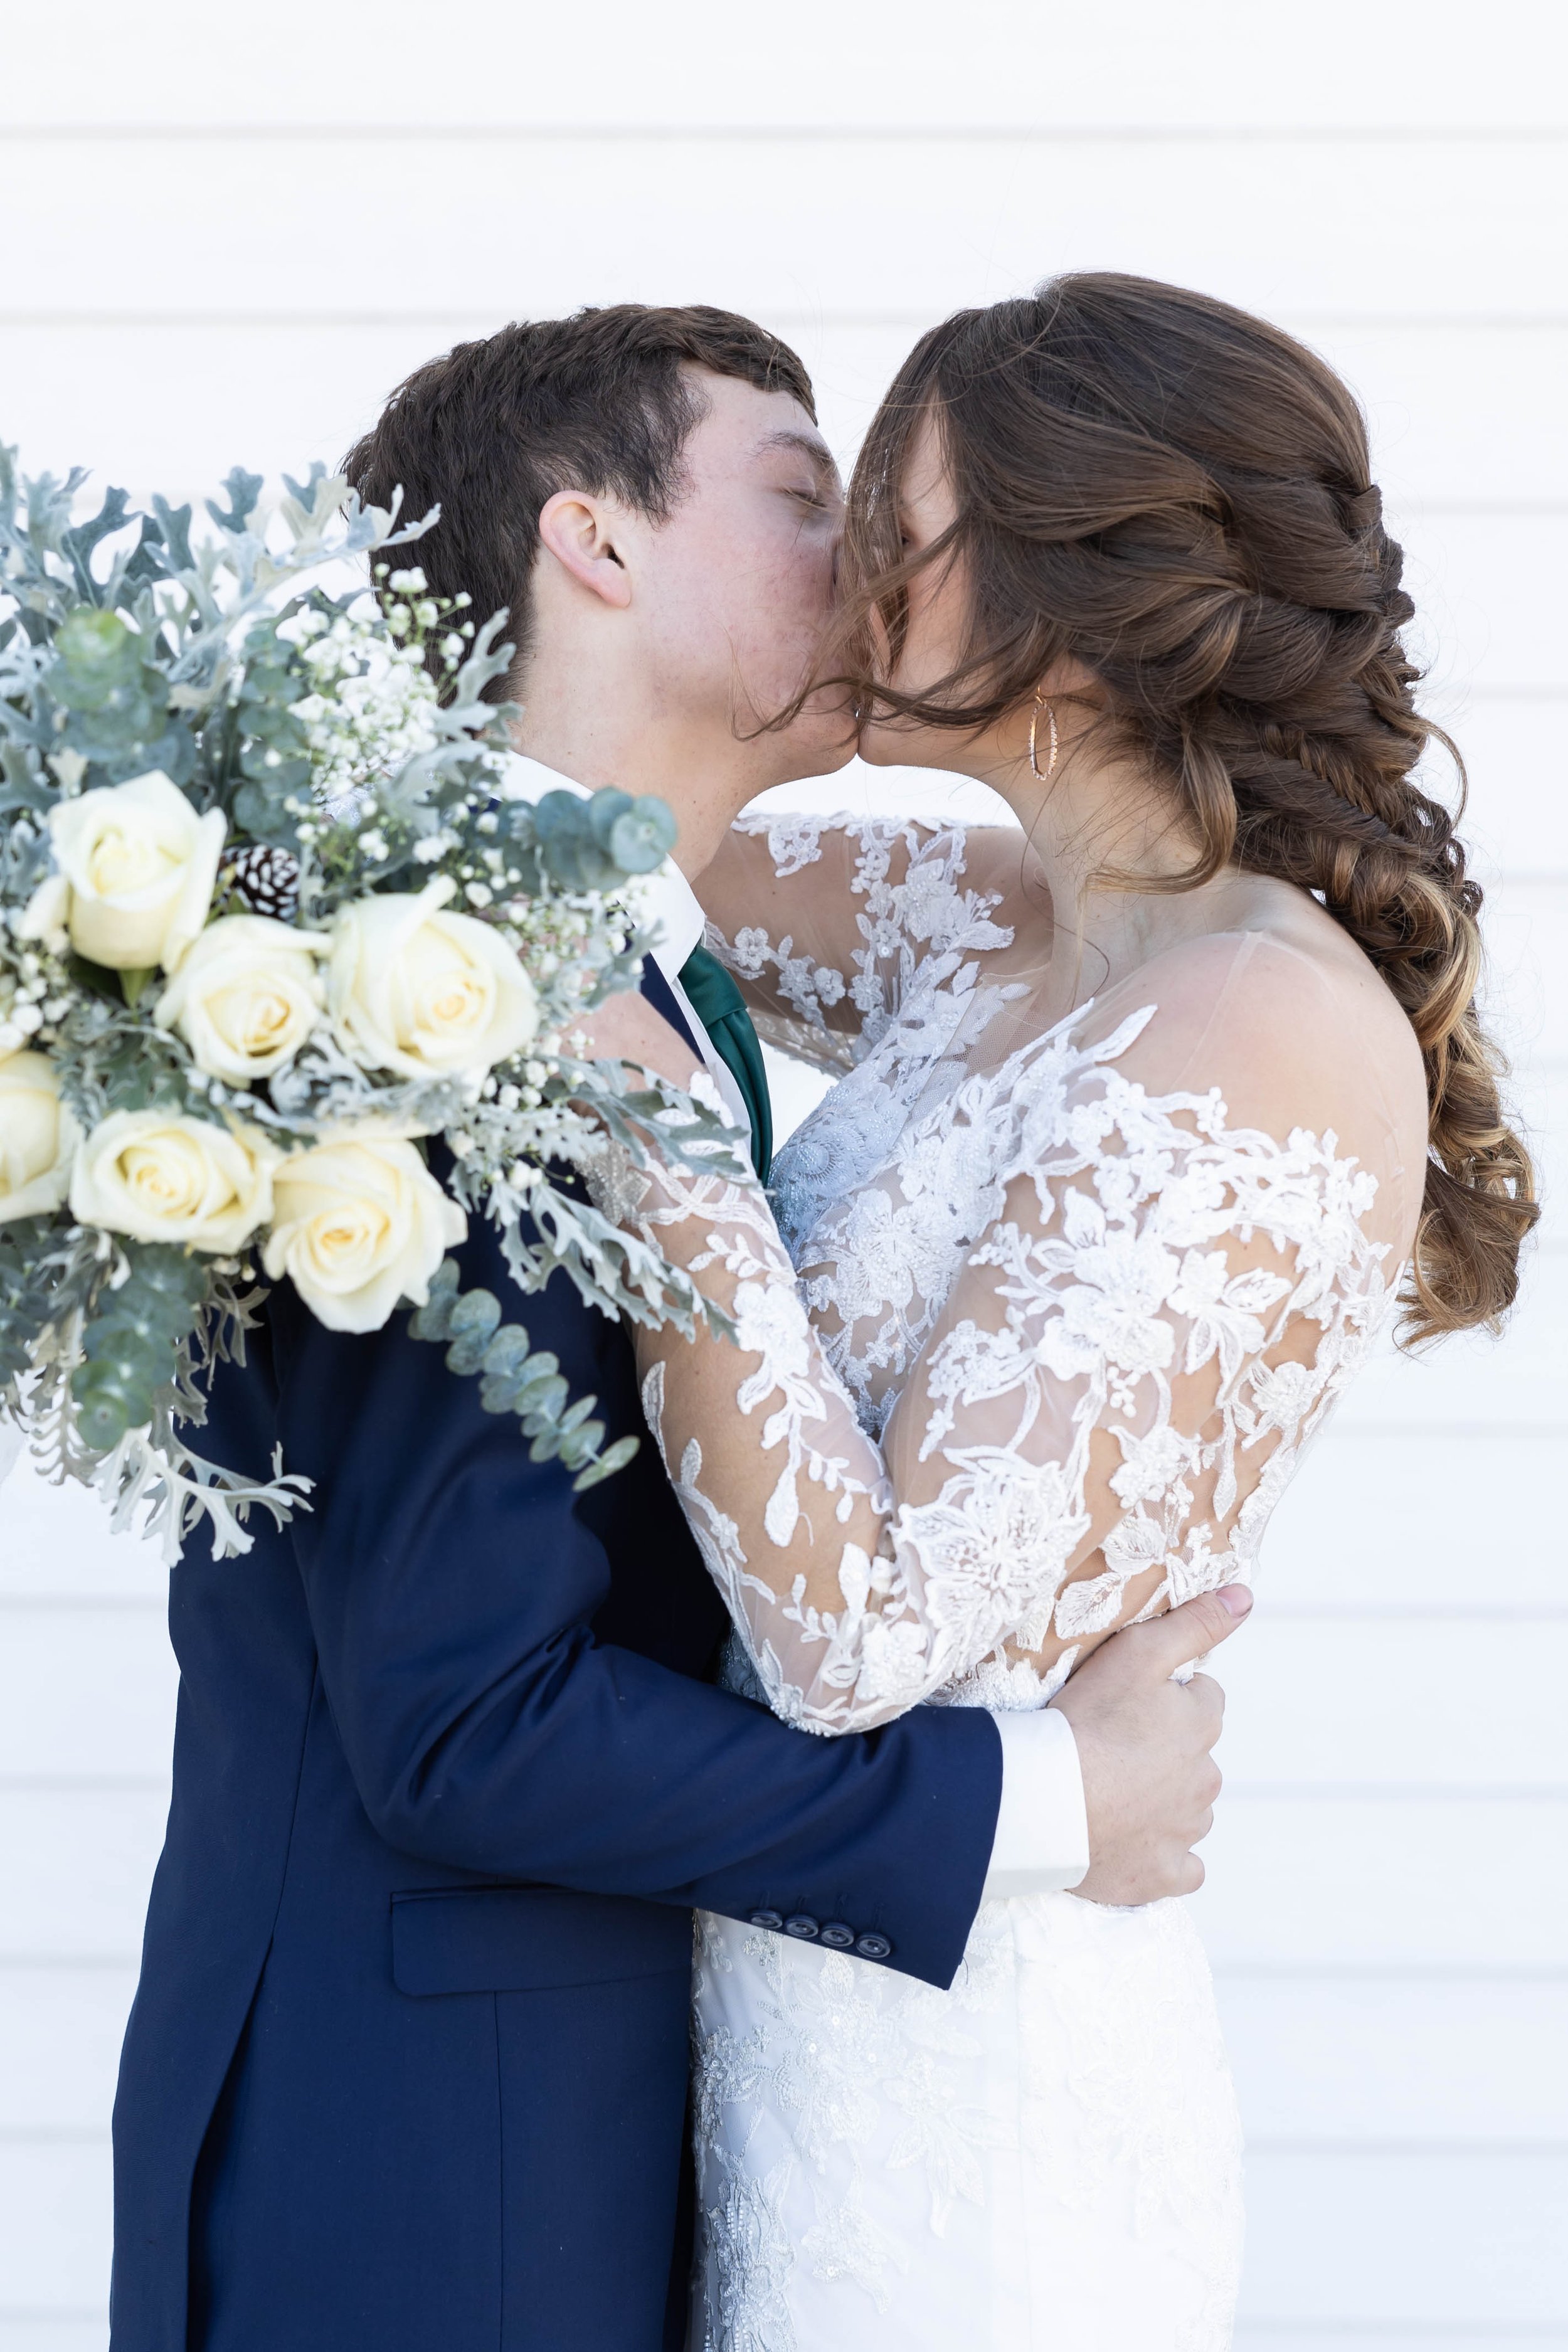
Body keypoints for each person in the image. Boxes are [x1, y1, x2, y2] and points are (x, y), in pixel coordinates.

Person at [109, 305, 1243, 2352]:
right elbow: (465, 1719)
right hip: (426, 2189)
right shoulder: (429, 994)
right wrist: (1044, 1801)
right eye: (806, 502)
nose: (874, 574)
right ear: (592, 546)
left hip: (579, 2125)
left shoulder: (609, 955)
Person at [580, 275, 1539, 2349]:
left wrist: (662, 1148)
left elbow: (861, 1641)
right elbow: (591, 862)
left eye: (899, 544)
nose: (846, 593)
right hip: (796, 2022)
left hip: (979, 2115)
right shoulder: (999, 920)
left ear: (1071, 602)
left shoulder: (1250, 1029)